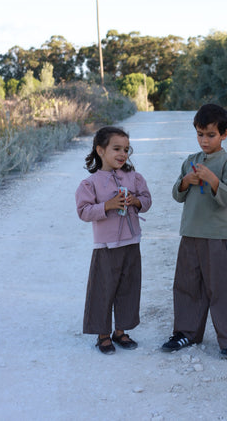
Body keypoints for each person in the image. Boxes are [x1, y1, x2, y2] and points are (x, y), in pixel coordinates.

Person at [162, 103, 227, 359]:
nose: (204, 140)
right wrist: (186, 181)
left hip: (217, 235)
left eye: (211, 135)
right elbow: (177, 195)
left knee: (222, 288)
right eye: (200, 134)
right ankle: (186, 332)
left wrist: (212, 179)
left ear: (224, 134)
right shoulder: (190, 161)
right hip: (190, 233)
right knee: (186, 285)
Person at [75, 126, 152, 354]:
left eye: (126, 149)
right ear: (100, 150)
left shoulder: (134, 178)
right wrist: (107, 206)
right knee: (103, 289)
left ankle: (121, 330)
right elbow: (84, 211)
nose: (122, 154)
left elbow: (147, 200)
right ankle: (102, 334)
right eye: (116, 148)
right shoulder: (90, 183)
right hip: (106, 247)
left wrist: (135, 202)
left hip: (131, 244)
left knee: (128, 287)